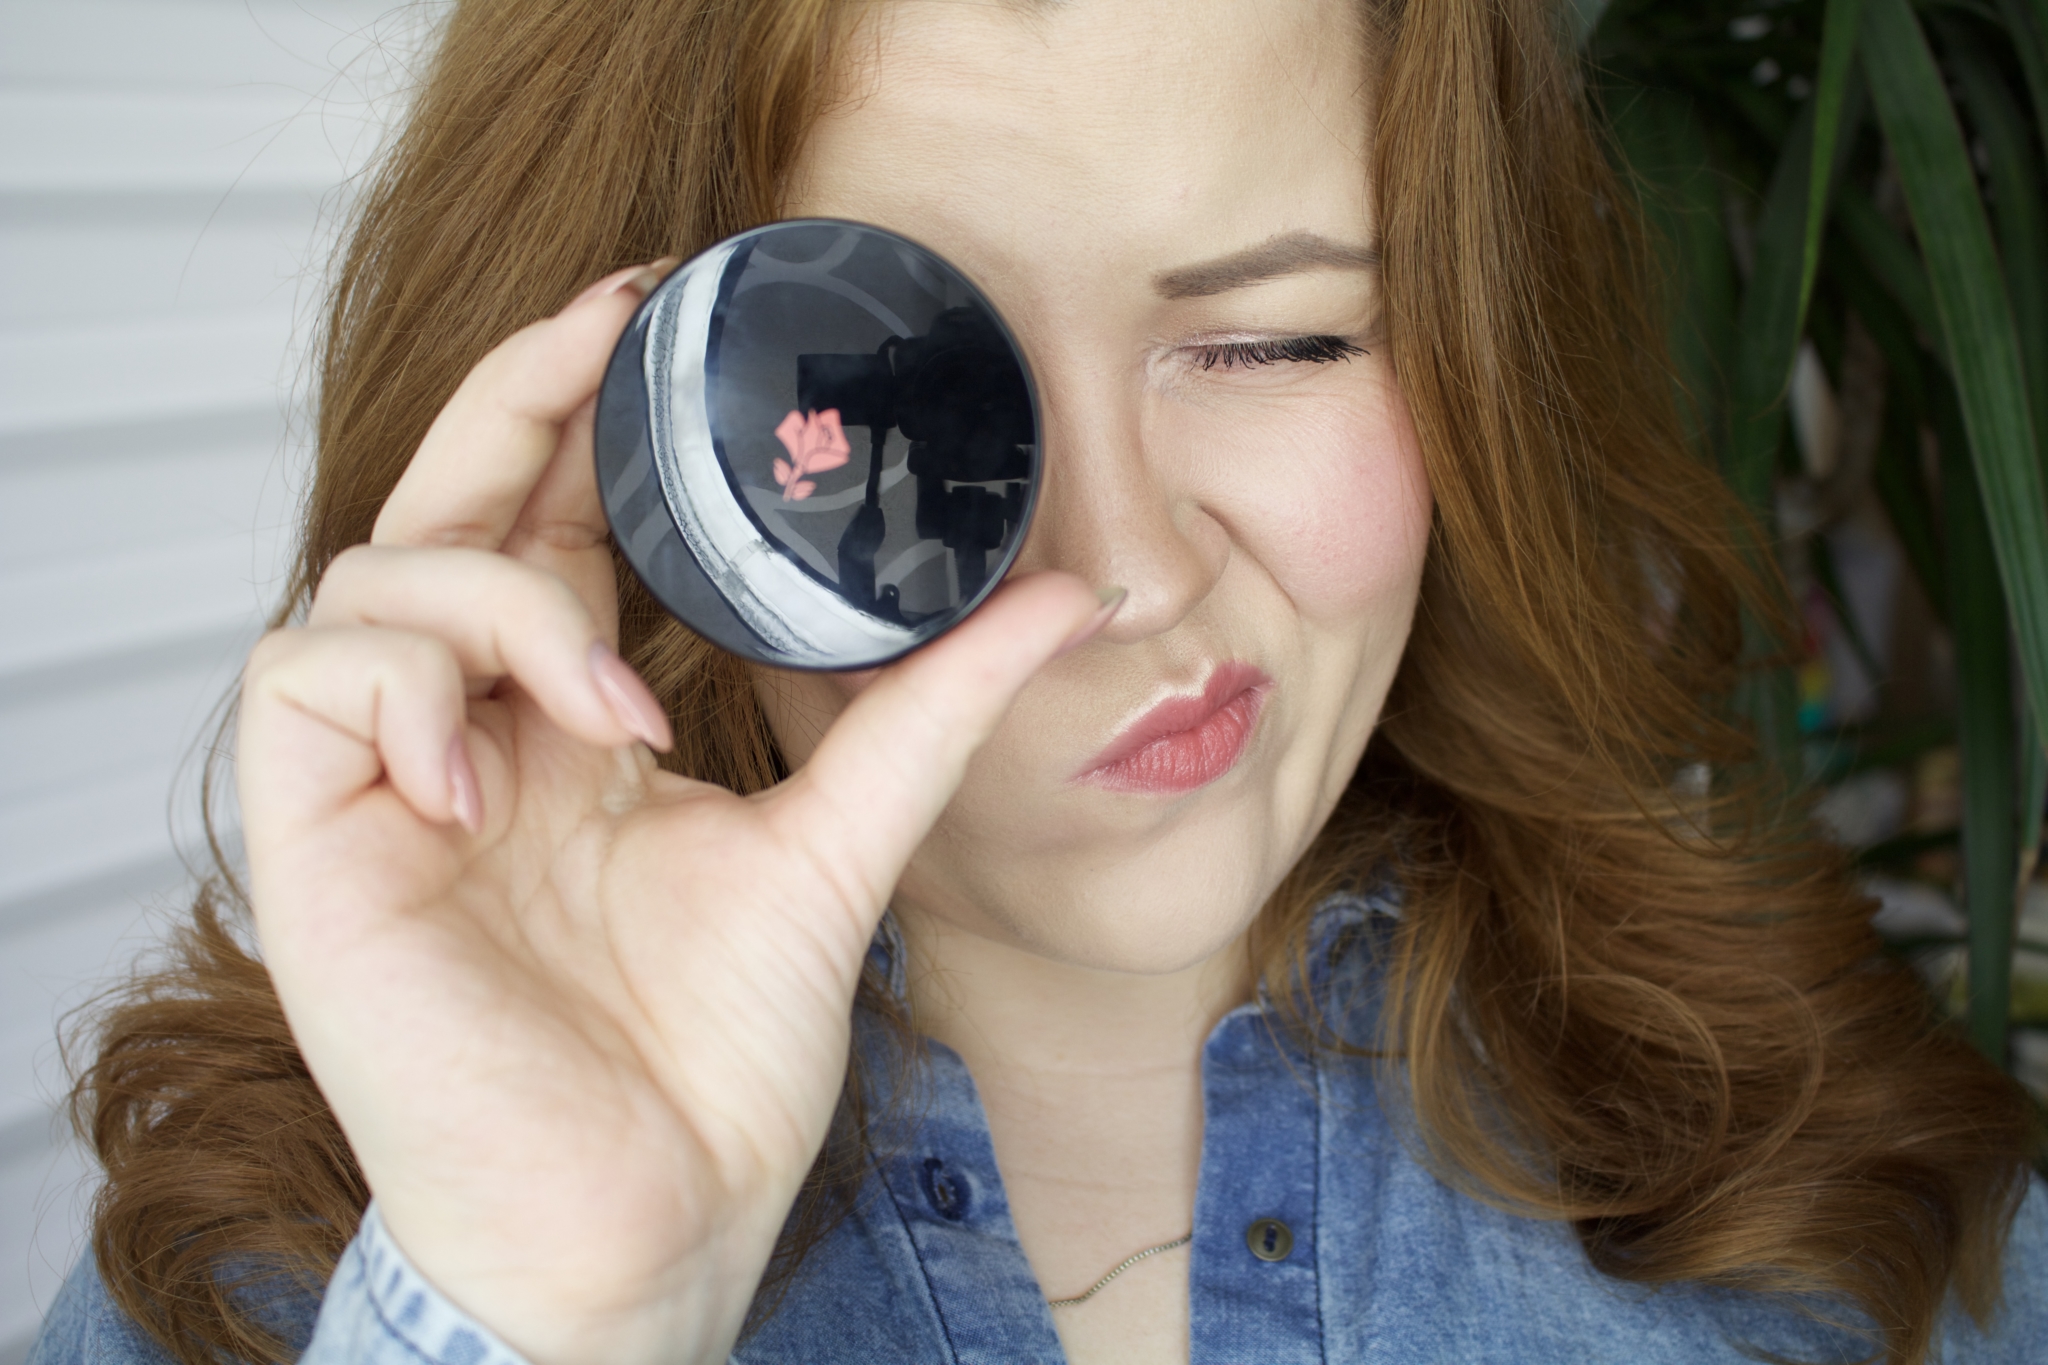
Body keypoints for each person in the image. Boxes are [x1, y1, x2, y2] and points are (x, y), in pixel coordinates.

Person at [28, 0, 2046, 1362]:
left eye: (1274, 342)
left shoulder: (1866, 1227)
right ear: (631, 461)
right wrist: (532, 1305)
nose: (1125, 573)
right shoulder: (285, 1271)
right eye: (912, 401)